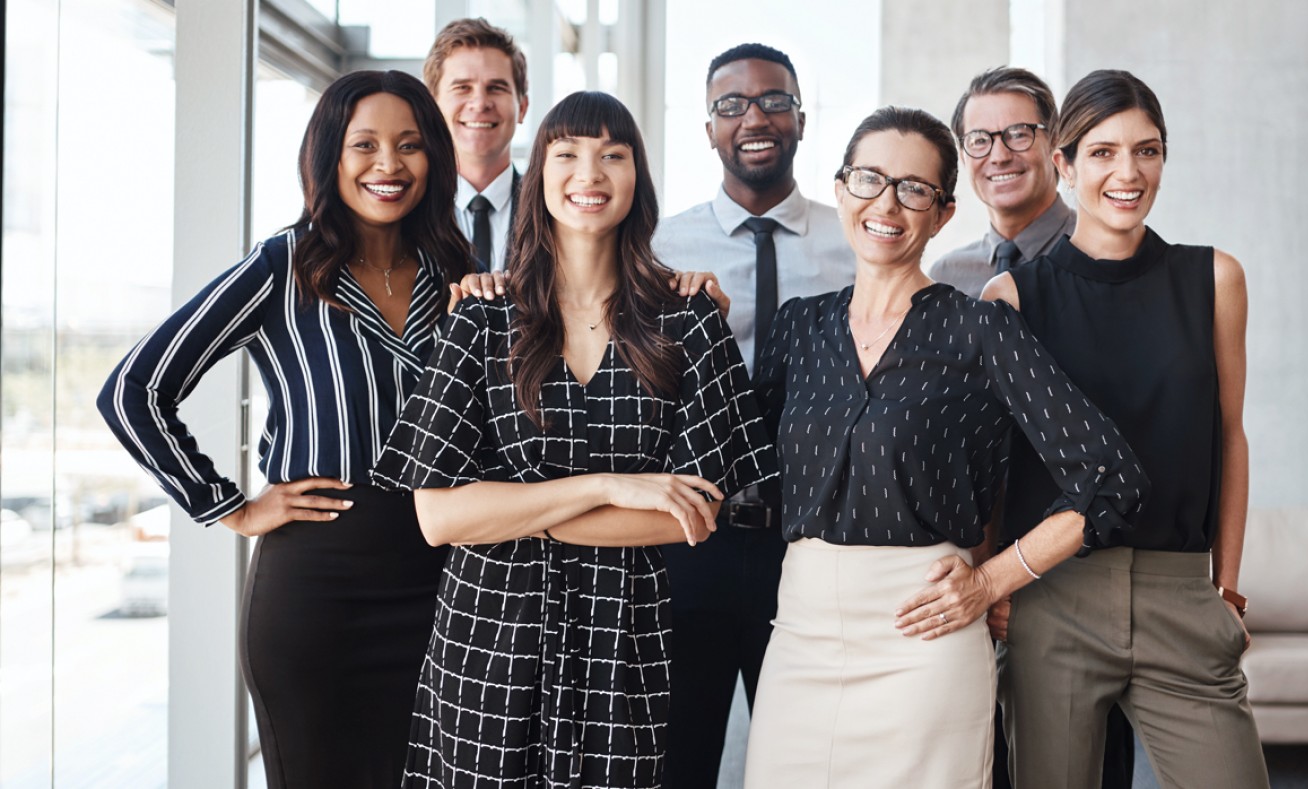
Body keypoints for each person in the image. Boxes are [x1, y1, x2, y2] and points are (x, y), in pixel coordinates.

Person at [370, 91, 777, 789]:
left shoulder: (689, 322)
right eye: (567, 155)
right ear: (540, 177)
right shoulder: (480, 319)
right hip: (487, 635)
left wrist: (511, 512)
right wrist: (610, 488)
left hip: (625, 643)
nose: (589, 174)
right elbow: (439, 517)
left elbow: (690, 516)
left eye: (611, 155)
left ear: (636, 179)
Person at [744, 106, 1149, 788]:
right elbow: (739, 467)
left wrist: (993, 580)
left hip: (924, 637)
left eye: (914, 188)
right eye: (869, 179)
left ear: (943, 213)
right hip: (801, 635)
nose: (887, 203)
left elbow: (1113, 478)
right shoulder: (797, 328)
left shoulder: (981, 330)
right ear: (841, 188)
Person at [97, 71, 472, 788]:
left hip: (445, 581)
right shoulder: (284, 265)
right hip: (317, 590)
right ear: (330, 157)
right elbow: (133, 389)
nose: (388, 165)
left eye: (410, 145)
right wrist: (230, 504)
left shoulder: (456, 271)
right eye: (364, 144)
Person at [983, 69, 1268, 789]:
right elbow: (995, 463)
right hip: (1056, 598)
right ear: (1065, 165)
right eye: (1103, 152)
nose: (1128, 172)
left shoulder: (1214, 280)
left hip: (1180, 595)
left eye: (1147, 151)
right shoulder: (1012, 297)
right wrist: (1000, 586)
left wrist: (1226, 590)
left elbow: (1229, 436)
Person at [932, 66, 1136, 789]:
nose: (1000, 153)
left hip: (1081, 565)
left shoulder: (1110, 259)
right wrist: (983, 571)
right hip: (975, 562)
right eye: (979, 138)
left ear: (1055, 146)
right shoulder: (946, 276)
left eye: (1019, 132)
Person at [655, 43, 852, 788]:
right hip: (687, 543)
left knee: (807, 762)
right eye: (731, 105)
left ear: (801, 118)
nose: (754, 117)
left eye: (773, 100)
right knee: (679, 758)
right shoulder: (657, 247)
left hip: (808, 543)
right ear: (709, 129)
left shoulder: (855, 241)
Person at [424, 17, 528, 272]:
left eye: (496, 88)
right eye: (462, 88)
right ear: (431, 106)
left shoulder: (551, 208)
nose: (480, 103)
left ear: (522, 108)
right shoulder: (407, 209)